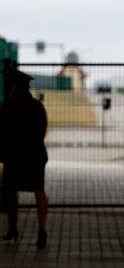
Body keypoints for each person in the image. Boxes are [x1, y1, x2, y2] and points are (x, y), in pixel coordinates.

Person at [0, 69, 49, 248]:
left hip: (14, 157)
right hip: (35, 156)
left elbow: (2, 132)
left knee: (11, 192)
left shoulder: (8, 106)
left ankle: (13, 228)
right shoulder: (37, 106)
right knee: (39, 191)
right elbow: (42, 131)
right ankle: (41, 231)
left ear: (14, 87)